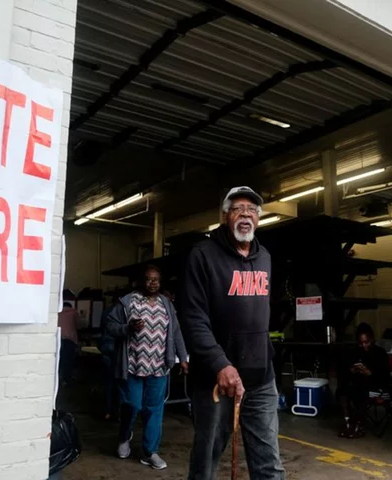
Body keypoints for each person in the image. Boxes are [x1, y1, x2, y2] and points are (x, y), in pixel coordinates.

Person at [181, 186, 285, 480]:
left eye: (252, 210)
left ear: (259, 219)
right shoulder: (203, 255)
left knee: (269, 461)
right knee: (207, 457)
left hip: (260, 377)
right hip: (215, 379)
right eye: (238, 208)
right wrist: (220, 364)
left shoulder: (264, 256)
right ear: (225, 215)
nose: (246, 215)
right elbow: (193, 317)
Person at [105, 265, 189, 470]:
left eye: (156, 280)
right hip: (133, 365)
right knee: (132, 405)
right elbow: (110, 325)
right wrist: (127, 328)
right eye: (148, 279)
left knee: (154, 410)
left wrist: (182, 357)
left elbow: (176, 331)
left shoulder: (166, 304)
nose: (152, 283)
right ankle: (124, 436)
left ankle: (150, 452)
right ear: (140, 281)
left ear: (160, 283)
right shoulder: (127, 302)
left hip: (159, 366)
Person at [337, 323, 389, 438]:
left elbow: (385, 377)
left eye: (367, 342)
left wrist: (369, 373)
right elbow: (345, 372)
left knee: (360, 391)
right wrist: (352, 369)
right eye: (361, 343)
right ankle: (347, 422)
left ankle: (360, 424)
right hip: (358, 383)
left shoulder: (380, 353)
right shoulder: (354, 351)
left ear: (372, 339)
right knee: (343, 390)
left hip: (376, 385)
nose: (364, 345)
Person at [58, 290, 81, 386]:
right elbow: (78, 325)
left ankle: (60, 378)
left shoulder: (58, 313)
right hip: (70, 339)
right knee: (69, 360)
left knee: (61, 360)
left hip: (59, 338)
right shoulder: (74, 312)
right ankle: (67, 379)